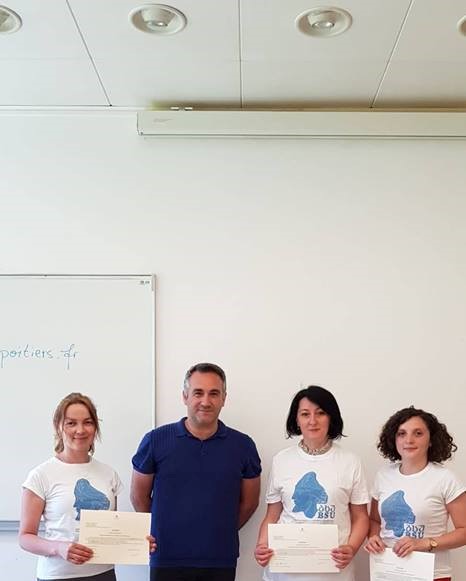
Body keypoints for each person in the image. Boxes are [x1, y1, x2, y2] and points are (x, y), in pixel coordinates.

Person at [130, 362, 262, 581]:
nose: (206, 401)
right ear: (185, 396)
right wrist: (160, 529)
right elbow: (138, 496)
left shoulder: (243, 445)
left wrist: (221, 530)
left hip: (219, 559)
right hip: (166, 557)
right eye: (198, 393)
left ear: (224, 398)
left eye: (214, 394)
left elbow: (249, 503)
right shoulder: (155, 441)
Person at [255, 385, 369, 581]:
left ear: (331, 417)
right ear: (297, 420)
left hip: (334, 573)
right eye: (305, 414)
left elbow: (361, 517)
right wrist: (261, 545)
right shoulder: (281, 460)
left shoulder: (350, 461)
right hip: (284, 572)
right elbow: (272, 515)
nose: (313, 421)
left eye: (321, 413)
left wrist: (351, 548)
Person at [19, 392, 122, 581]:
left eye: (88, 422)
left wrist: (137, 543)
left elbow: (111, 528)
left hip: (103, 574)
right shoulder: (40, 475)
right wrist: (57, 548)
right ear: (58, 427)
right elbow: (25, 537)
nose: (80, 430)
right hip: (57, 575)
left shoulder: (109, 474)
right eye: (71, 423)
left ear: (95, 427)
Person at [365, 406, 466, 581]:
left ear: (431, 439)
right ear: (393, 439)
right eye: (401, 433)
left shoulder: (446, 479)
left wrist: (425, 543)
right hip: (388, 572)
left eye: (418, 433)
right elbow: (374, 520)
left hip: (432, 574)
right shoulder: (383, 475)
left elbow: (464, 531)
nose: (409, 440)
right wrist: (373, 537)